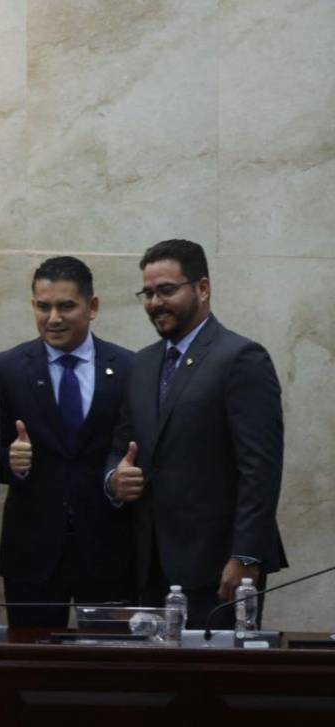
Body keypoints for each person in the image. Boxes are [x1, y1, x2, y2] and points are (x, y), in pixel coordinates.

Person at [106, 239, 286, 628]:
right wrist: (114, 478)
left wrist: (247, 556)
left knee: (213, 683)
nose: (155, 302)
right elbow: (120, 446)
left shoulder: (240, 358)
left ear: (202, 288)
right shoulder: (141, 364)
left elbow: (261, 469)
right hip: (150, 567)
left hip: (219, 568)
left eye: (166, 290)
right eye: (148, 293)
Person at [0, 257, 135, 628]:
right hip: (32, 551)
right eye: (43, 306)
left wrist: (122, 480)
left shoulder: (129, 369)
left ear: (93, 307)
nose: (53, 317)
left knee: (113, 662)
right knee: (32, 670)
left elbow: (138, 449)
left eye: (66, 306)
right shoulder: (6, 369)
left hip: (110, 548)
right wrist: (9, 460)